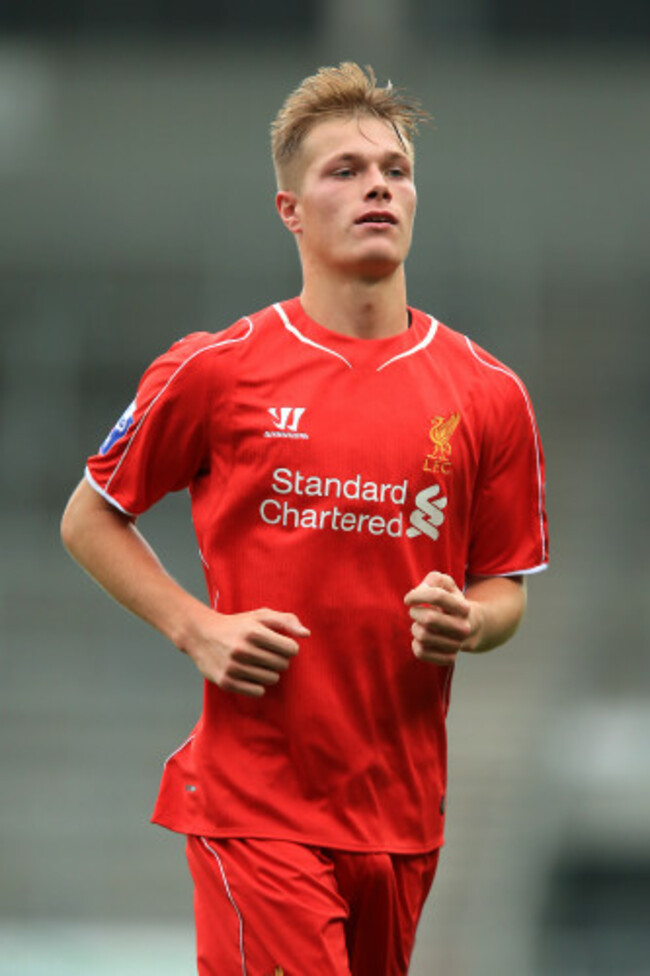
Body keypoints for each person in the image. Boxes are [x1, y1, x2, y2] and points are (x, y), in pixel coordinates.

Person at [61, 62, 548, 976]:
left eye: (395, 171)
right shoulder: (218, 369)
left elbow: (506, 588)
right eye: (345, 170)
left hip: (402, 816)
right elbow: (91, 517)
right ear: (290, 210)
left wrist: (471, 622)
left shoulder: (489, 395)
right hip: (255, 807)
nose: (376, 186)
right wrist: (195, 627)